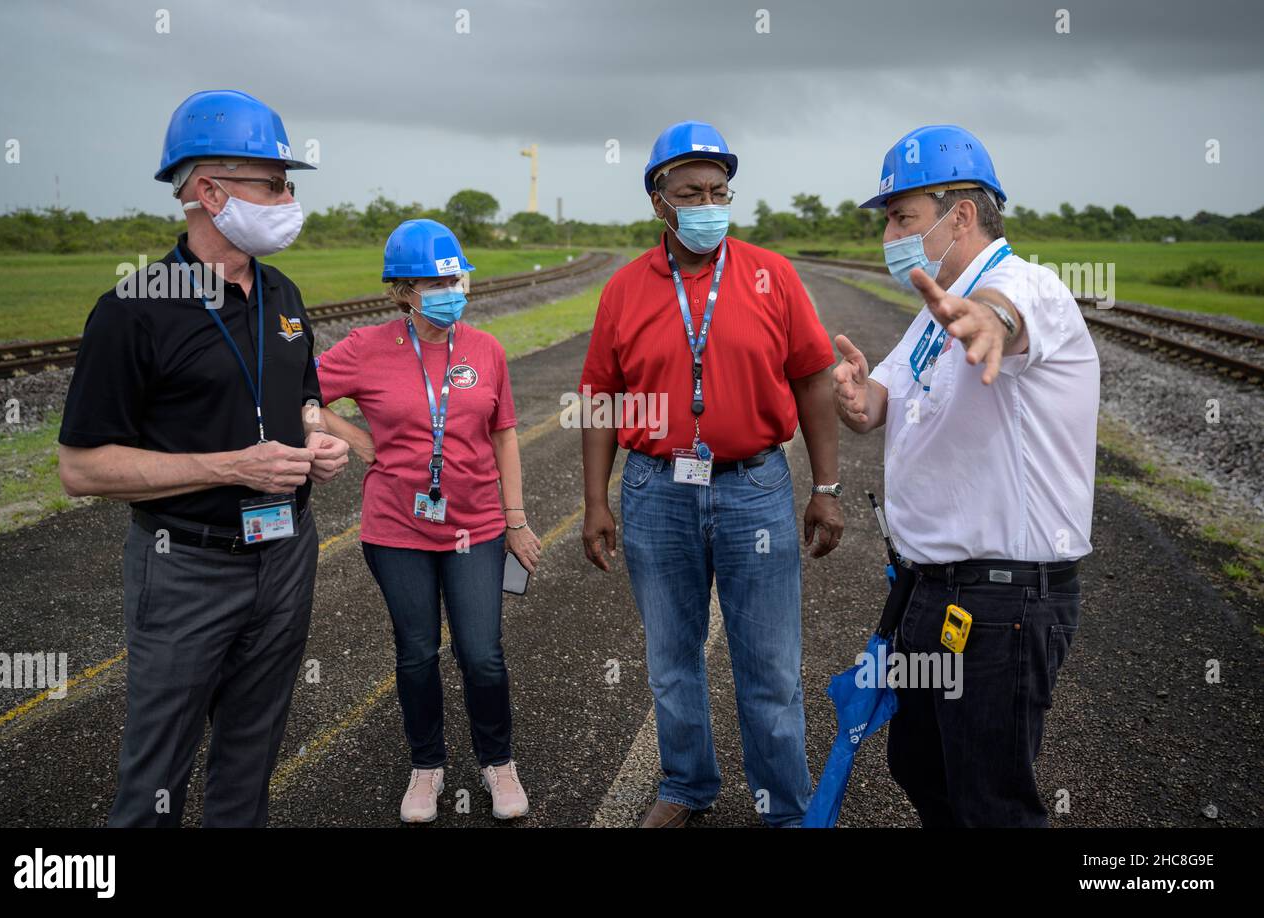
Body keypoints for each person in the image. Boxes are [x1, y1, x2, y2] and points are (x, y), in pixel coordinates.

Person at [57, 90, 350, 827]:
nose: (288, 198)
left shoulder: (282, 292)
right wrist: (231, 467)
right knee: (157, 771)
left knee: (251, 758)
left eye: (289, 183)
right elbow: (81, 468)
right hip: (185, 564)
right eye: (272, 183)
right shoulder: (133, 308)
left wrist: (315, 432)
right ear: (208, 191)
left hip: (285, 552)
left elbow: (303, 388)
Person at [579, 121, 844, 828]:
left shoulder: (771, 275)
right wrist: (594, 503)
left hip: (753, 486)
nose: (708, 203)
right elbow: (601, 401)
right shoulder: (625, 290)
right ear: (658, 202)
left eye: (720, 191)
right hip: (655, 490)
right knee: (671, 658)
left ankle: (785, 806)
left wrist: (825, 488)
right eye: (691, 191)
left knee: (770, 667)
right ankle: (687, 785)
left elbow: (815, 380)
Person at [835, 124, 1100, 827]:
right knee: (920, 766)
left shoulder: (1023, 286)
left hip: (1002, 605)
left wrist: (989, 321)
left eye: (902, 217)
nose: (888, 234)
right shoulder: (930, 315)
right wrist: (857, 396)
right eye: (888, 219)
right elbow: (878, 405)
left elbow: (1006, 320)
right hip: (932, 591)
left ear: (961, 214)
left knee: (992, 800)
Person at [311, 219, 541, 823]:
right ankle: (427, 767)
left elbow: (505, 433)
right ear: (402, 290)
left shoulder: (486, 349)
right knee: (416, 653)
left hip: (479, 528)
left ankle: (498, 762)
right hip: (396, 532)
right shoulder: (365, 347)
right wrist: (353, 436)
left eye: (455, 277)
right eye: (433, 281)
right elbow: (296, 390)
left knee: (482, 653)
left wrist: (515, 518)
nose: (449, 288)